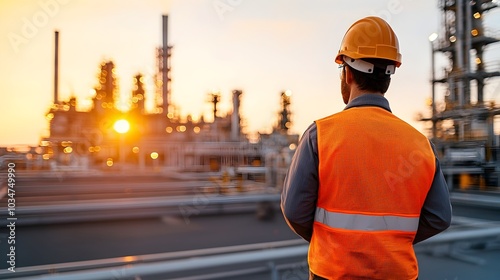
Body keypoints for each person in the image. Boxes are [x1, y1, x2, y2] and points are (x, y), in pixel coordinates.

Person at [281, 16, 452, 280]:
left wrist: (337, 244)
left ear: (347, 73)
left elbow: (294, 211)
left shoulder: (320, 135)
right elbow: (439, 217)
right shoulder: (421, 145)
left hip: (333, 273)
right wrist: (389, 245)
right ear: (389, 77)